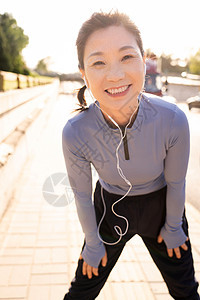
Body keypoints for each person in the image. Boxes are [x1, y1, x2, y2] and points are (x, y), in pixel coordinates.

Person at [62, 11, 199, 300]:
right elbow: (82, 196)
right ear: (84, 73)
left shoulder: (172, 119)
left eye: (127, 57)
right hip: (110, 210)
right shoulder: (75, 132)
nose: (115, 75)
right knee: (81, 292)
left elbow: (177, 182)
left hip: (162, 207)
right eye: (98, 62)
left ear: (144, 61)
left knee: (186, 292)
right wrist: (92, 242)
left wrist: (173, 226)